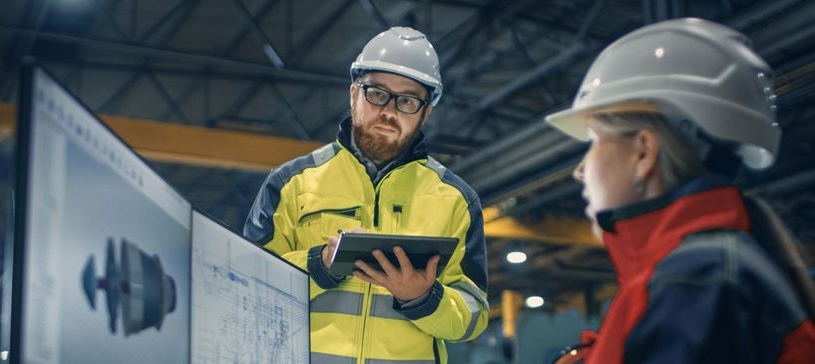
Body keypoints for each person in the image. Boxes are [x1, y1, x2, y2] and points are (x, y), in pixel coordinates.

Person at [543, 18, 815, 363]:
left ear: (643, 152)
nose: (580, 171)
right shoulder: (703, 271)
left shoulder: (697, 278)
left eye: (595, 140)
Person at [243, 26, 488, 363]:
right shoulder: (291, 183)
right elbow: (247, 282)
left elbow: (474, 316)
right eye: (377, 93)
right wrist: (319, 265)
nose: (389, 111)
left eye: (407, 100)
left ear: (426, 112)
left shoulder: (457, 200)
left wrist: (424, 298)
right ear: (354, 94)